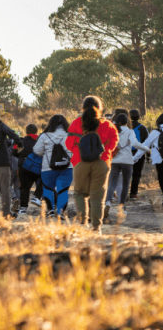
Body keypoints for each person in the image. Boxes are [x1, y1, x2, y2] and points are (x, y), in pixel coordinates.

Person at [66, 96, 119, 231]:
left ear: (83, 108)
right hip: (102, 162)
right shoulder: (107, 124)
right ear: (100, 108)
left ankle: (83, 224)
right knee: (98, 196)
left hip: (80, 162)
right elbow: (114, 141)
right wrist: (105, 152)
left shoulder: (77, 122)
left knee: (79, 193)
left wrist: (78, 152)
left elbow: (69, 143)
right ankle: (97, 228)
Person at [106, 112, 149, 214]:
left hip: (115, 161)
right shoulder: (130, 131)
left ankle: (107, 202)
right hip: (127, 161)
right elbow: (135, 144)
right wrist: (147, 149)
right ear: (126, 122)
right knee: (125, 184)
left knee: (112, 183)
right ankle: (121, 207)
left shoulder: (113, 131)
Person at [33, 115, 74, 218]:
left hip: (48, 168)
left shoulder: (44, 136)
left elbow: (37, 151)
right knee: (63, 190)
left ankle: (50, 211)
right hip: (67, 167)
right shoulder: (70, 135)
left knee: (48, 189)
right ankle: (60, 213)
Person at [15, 124, 44, 215]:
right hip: (37, 166)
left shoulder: (20, 141)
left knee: (24, 187)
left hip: (23, 166)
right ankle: (36, 196)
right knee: (45, 180)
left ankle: (23, 209)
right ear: (36, 131)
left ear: (26, 132)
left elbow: (13, 152)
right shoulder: (40, 140)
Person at [137, 114, 163, 194]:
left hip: (160, 160)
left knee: (161, 178)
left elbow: (144, 146)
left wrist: (134, 158)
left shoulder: (155, 132)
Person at [129, 109, 149, 200]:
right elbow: (147, 142)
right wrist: (148, 155)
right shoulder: (142, 128)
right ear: (139, 117)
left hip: (126, 152)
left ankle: (121, 193)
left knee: (124, 174)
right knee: (136, 173)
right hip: (139, 153)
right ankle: (133, 194)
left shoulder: (125, 127)